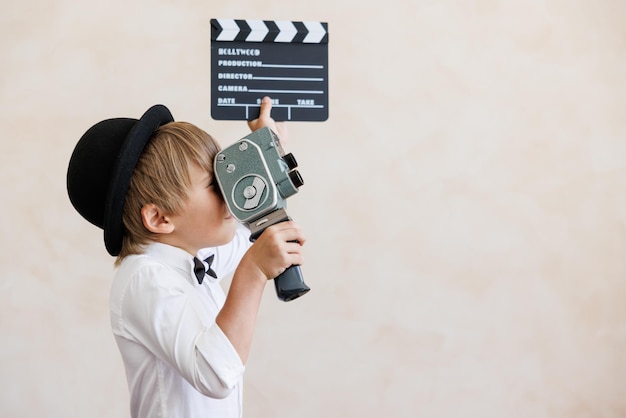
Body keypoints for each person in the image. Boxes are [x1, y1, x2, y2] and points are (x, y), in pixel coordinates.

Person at [66, 97, 306, 418]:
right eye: (213, 184)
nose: (227, 190)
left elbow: (250, 225)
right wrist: (252, 273)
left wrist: (266, 150)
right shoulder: (145, 277)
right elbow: (214, 374)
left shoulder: (192, 258)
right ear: (160, 219)